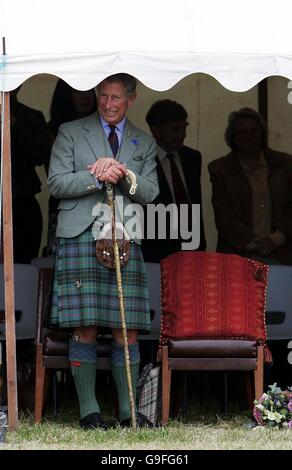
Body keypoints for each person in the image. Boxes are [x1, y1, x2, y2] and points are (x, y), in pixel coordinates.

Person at [48, 73, 159, 430]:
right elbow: (55, 183)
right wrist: (96, 176)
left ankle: (128, 412)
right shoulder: (70, 131)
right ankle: (89, 411)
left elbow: (152, 192)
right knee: (85, 328)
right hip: (80, 234)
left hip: (125, 238)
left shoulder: (144, 141)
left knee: (126, 330)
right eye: (102, 96)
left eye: (115, 98)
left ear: (131, 98)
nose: (108, 104)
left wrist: (123, 173)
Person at [208, 107, 292, 265]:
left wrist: (275, 239)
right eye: (243, 132)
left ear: (262, 132)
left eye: (254, 131)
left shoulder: (286, 164)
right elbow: (223, 215)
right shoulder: (220, 169)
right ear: (232, 136)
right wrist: (254, 243)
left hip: (283, 254)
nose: (250, 137)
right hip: (238, 256)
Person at [142, 99, 206, 263]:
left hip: (191, 246)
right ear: (155, 130)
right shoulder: (142, 162)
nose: (183, 133)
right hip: (155, 250)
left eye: (184, 127)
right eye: (175, 129)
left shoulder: (192, 158)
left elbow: (194, 202)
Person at [46, 79, 98, 255]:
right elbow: (57, 178)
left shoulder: (105, 128)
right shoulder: (53, 130)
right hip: (65, 206)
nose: (86, 96)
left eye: (90, 91)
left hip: (99, 207)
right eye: (78, 91)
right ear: (66, 96)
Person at [9, 86, 50, 263]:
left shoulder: (32, 117)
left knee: (23, 263)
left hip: (23, 204)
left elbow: (39, 156)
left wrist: (14, 125)